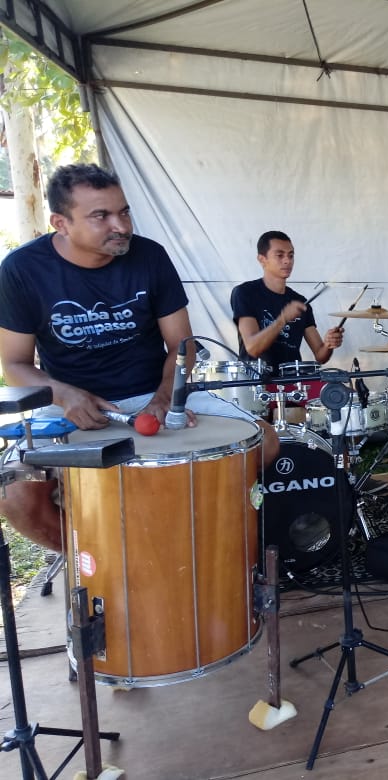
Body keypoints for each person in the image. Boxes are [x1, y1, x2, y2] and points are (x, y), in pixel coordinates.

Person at [0, 163, 279, 551]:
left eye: (124, 211)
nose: (121, 225)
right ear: (61, 223)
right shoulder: (22, 269)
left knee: (266, 442)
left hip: (152, 392)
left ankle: (199, 544)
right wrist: (65, 396)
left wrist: (165, 398)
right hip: (68, 403)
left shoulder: (150, 256)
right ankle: (103, 566)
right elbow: (14, 365)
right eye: (101, 216)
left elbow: (183, 346)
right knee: (16, 498)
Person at [230, 230, 344, 368]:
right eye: (280, 255)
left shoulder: (300, 301)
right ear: (262, 259)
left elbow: (320, 356)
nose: (287, 261)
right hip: (257, 378)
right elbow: (253, 348)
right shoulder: (245, 293)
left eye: (291, 255)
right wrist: (283, 319)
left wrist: (328, 344)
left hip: (292, 379)